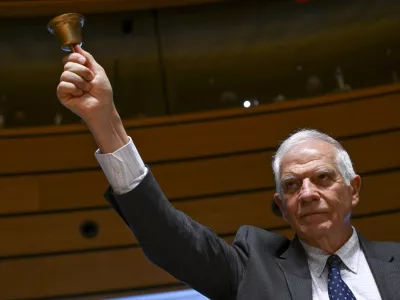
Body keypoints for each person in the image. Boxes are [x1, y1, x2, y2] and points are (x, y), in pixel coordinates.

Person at [57, 45, 399, 300]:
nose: (307, 194)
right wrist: (106, 119)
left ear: (353, 189)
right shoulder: (252, 267)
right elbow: (169, 237)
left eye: (323, 178)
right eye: (292, 186)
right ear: (281, 206)